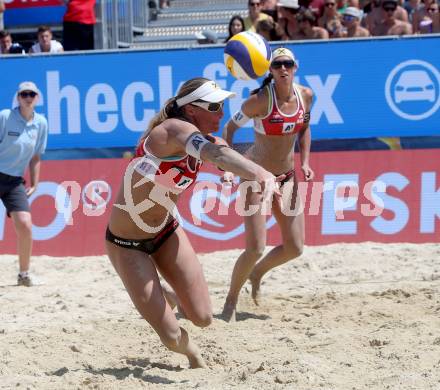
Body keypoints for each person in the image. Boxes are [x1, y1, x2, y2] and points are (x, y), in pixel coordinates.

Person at [105, 77, 283, 368]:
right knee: (173, 337)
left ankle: (166, 292)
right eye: (214, 107)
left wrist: (229, 170)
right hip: (127, 244)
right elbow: (215, 153)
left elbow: (221, 148)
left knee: (203, 317)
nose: (221, 113)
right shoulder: (172, 130)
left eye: (223, 105)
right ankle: (193, 355)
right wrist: (260, 173)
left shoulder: (201, 137)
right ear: (191, 110)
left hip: (166, 232)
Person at [221, 47, 315, 322]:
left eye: (288, 64)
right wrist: (227, 166)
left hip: (286, 178)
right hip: (256, 178)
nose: (283, 69)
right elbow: (228, 130)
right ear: (270, 70)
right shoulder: (259, 101)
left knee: (295, 247)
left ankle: (257, 273)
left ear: (295, 67)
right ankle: (230, 302)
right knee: (255, 248)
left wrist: (305, 162)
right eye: (277, 65)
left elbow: (305, 128)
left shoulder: (305, 95)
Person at [0, 82, 48, 287]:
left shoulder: (41, 123)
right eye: (24, 94)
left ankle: (23, 275)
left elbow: (36, 157)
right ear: (18, 97)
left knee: (25, 225)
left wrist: (36, 183)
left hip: (14, 181)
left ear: (37, 98)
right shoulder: (4, 117)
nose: (28, 97)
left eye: (32, 94)